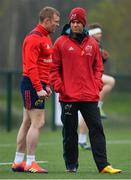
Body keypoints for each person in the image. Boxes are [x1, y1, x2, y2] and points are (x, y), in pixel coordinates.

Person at [50, 7, 122, 174]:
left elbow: (98, 67)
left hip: (89, 96)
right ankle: (71, 165)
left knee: (97, 129)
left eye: (78, 22)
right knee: (69, 132)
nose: (75, 25)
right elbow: (54, 69)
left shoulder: (92, 43)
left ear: (83, 24)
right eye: (73, 22)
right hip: (68, 96)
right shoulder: (60, 42)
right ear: (70, 23)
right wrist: (60, 87)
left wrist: (97, 84)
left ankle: (103, 165)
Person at [12, 6, 60, 173]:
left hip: (38, 84)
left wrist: (46, 85)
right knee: (38, 122)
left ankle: (18, 162)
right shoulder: (34, 38)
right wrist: (39, 87)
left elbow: (44, 65)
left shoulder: (46, 37)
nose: (57, 25)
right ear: (46, 21)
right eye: (55, 22)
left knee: (27, 122)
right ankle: (31, 163)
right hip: (31, 84)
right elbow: (31, 66)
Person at [79, 23, 115, 150]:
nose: (100, 35)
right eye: (98, 33)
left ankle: (82, 140)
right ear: (92, 34)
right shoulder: (87, 43)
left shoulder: (97, 45)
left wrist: (102, 58)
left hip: (92, 79)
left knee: (88, 110)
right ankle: (99, 106)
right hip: (87, 79)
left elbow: (96, 62)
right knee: (110, 81)